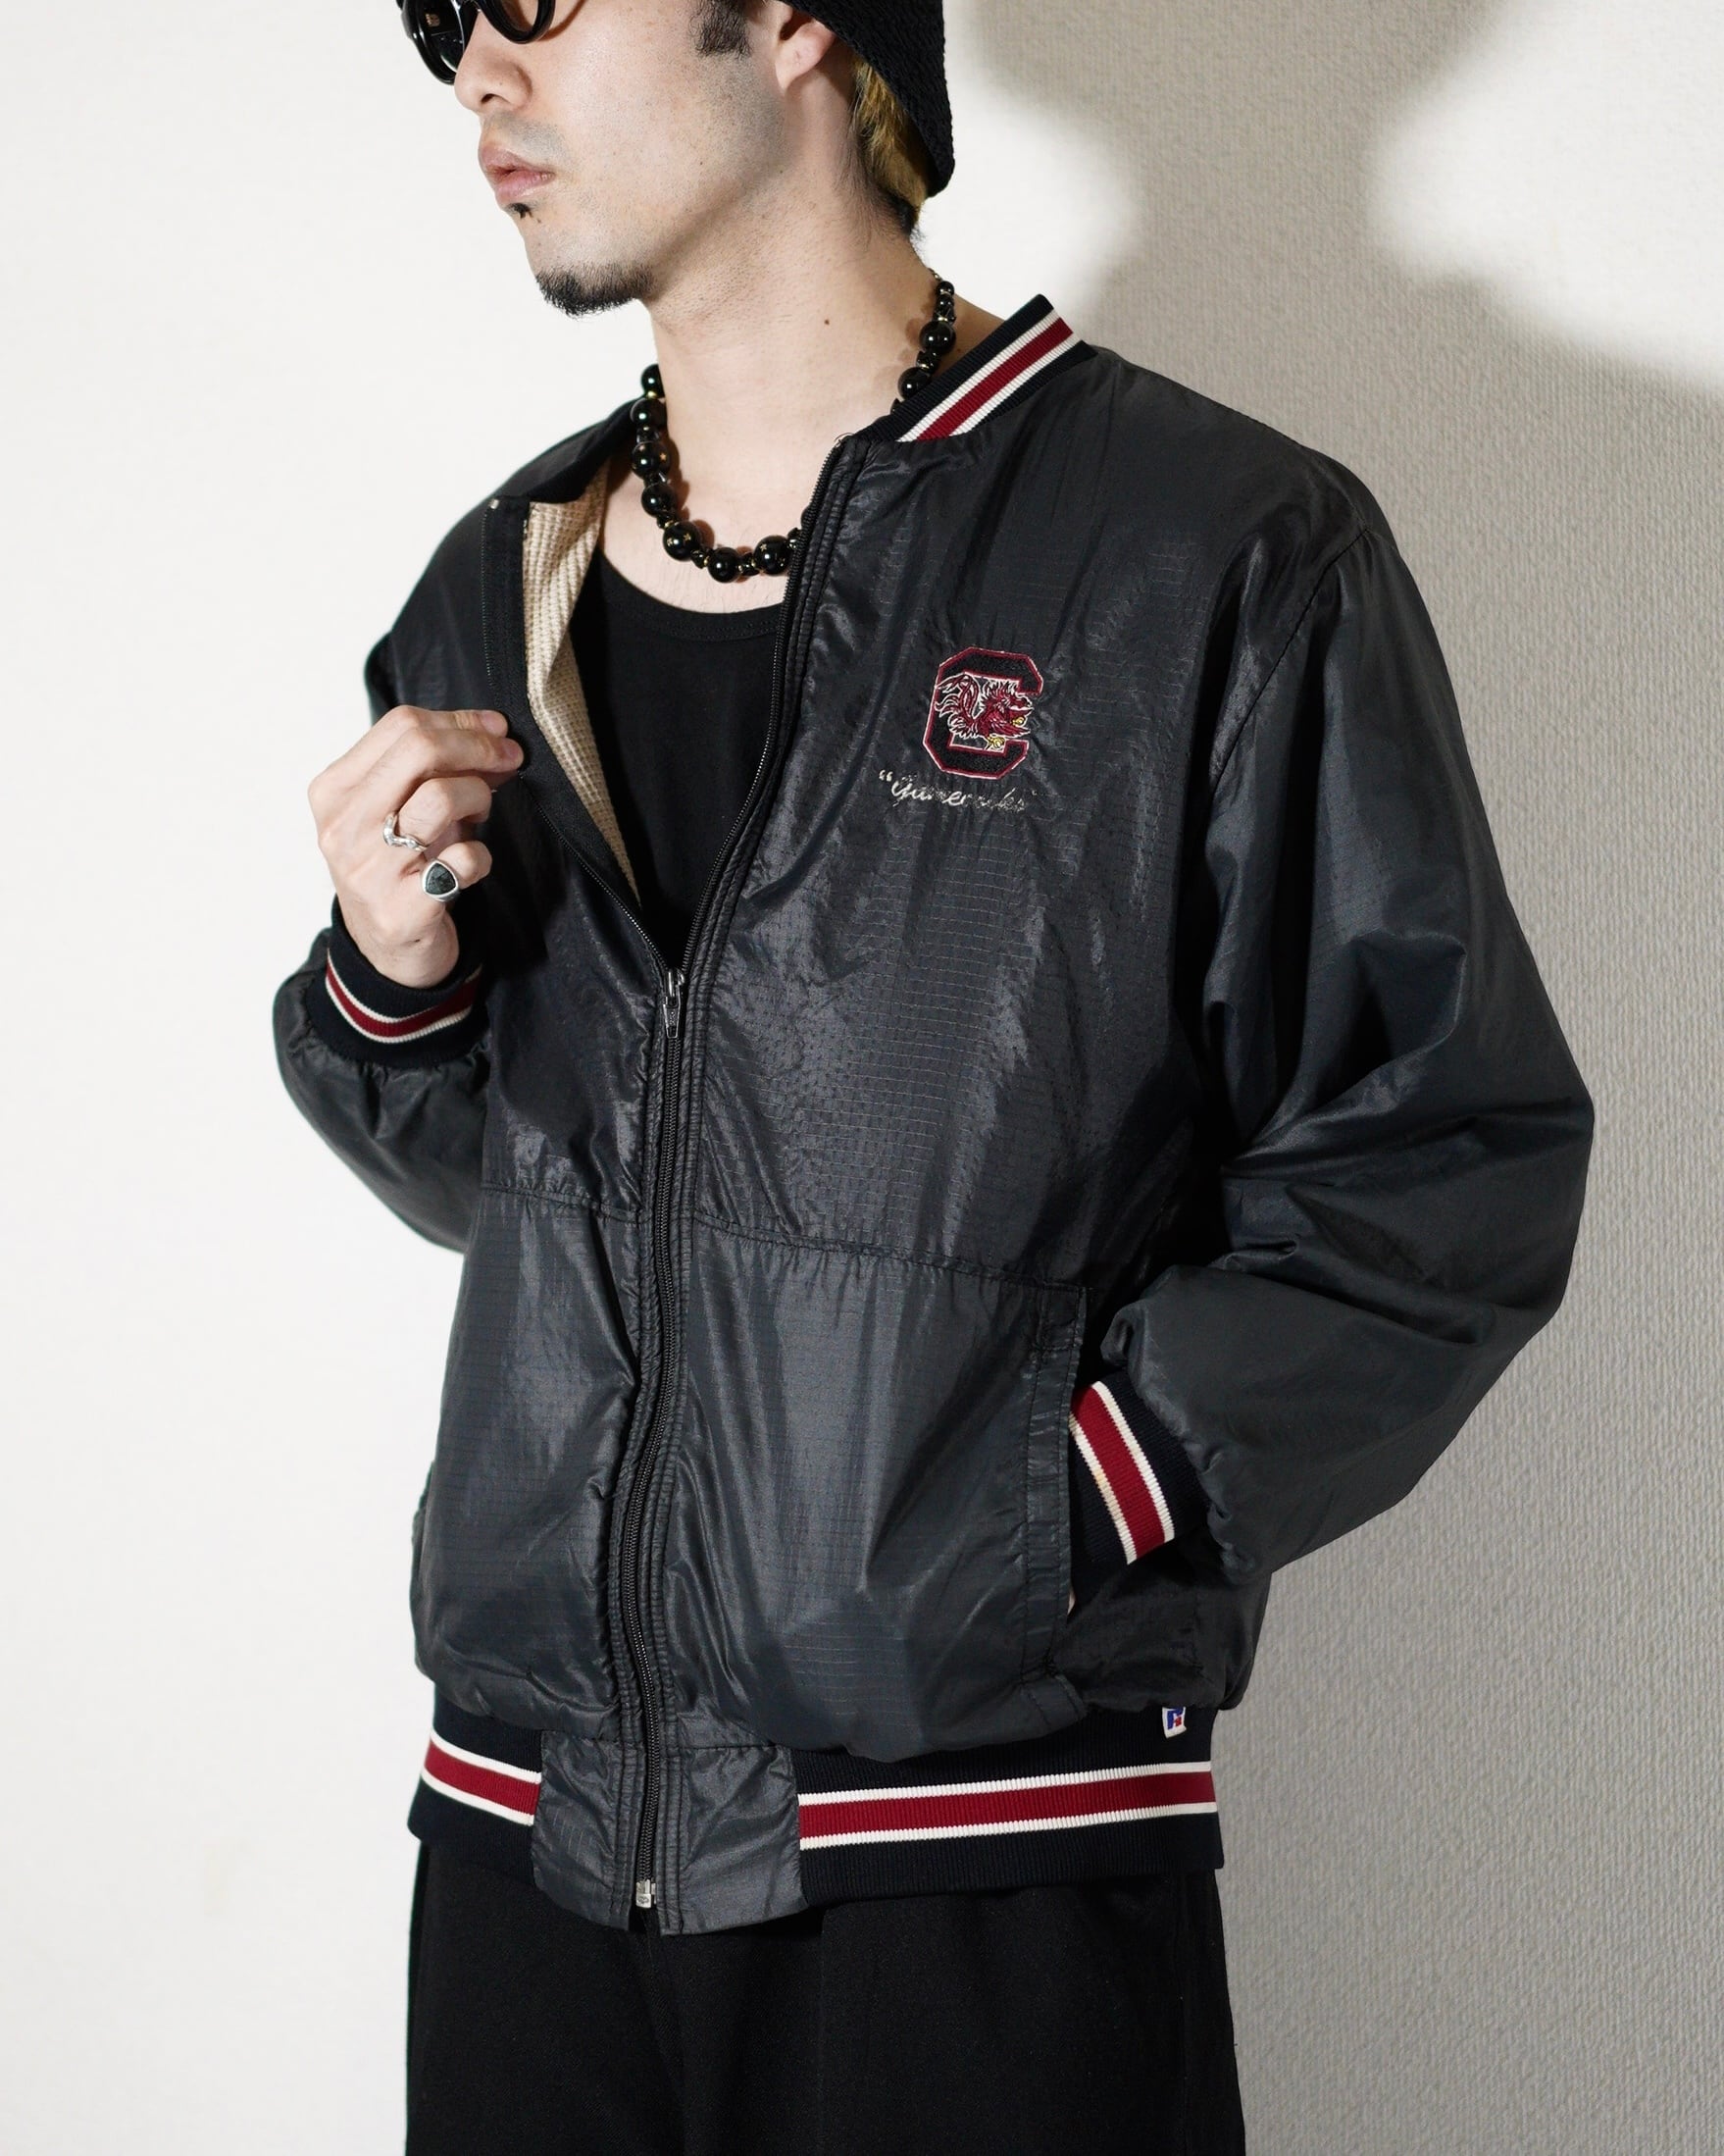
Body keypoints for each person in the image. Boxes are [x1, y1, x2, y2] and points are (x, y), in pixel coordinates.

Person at [274, 2, 1594, 2148]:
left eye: (537, 3)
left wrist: (1065, 1498)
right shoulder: (493, 587)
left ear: (797, 21)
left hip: (977, 1852)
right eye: (443, 22)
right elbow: (534, 1192)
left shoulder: (1207, 551)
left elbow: (1443, 1159)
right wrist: (388, 978)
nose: (476, 81)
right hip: (528, 1848)